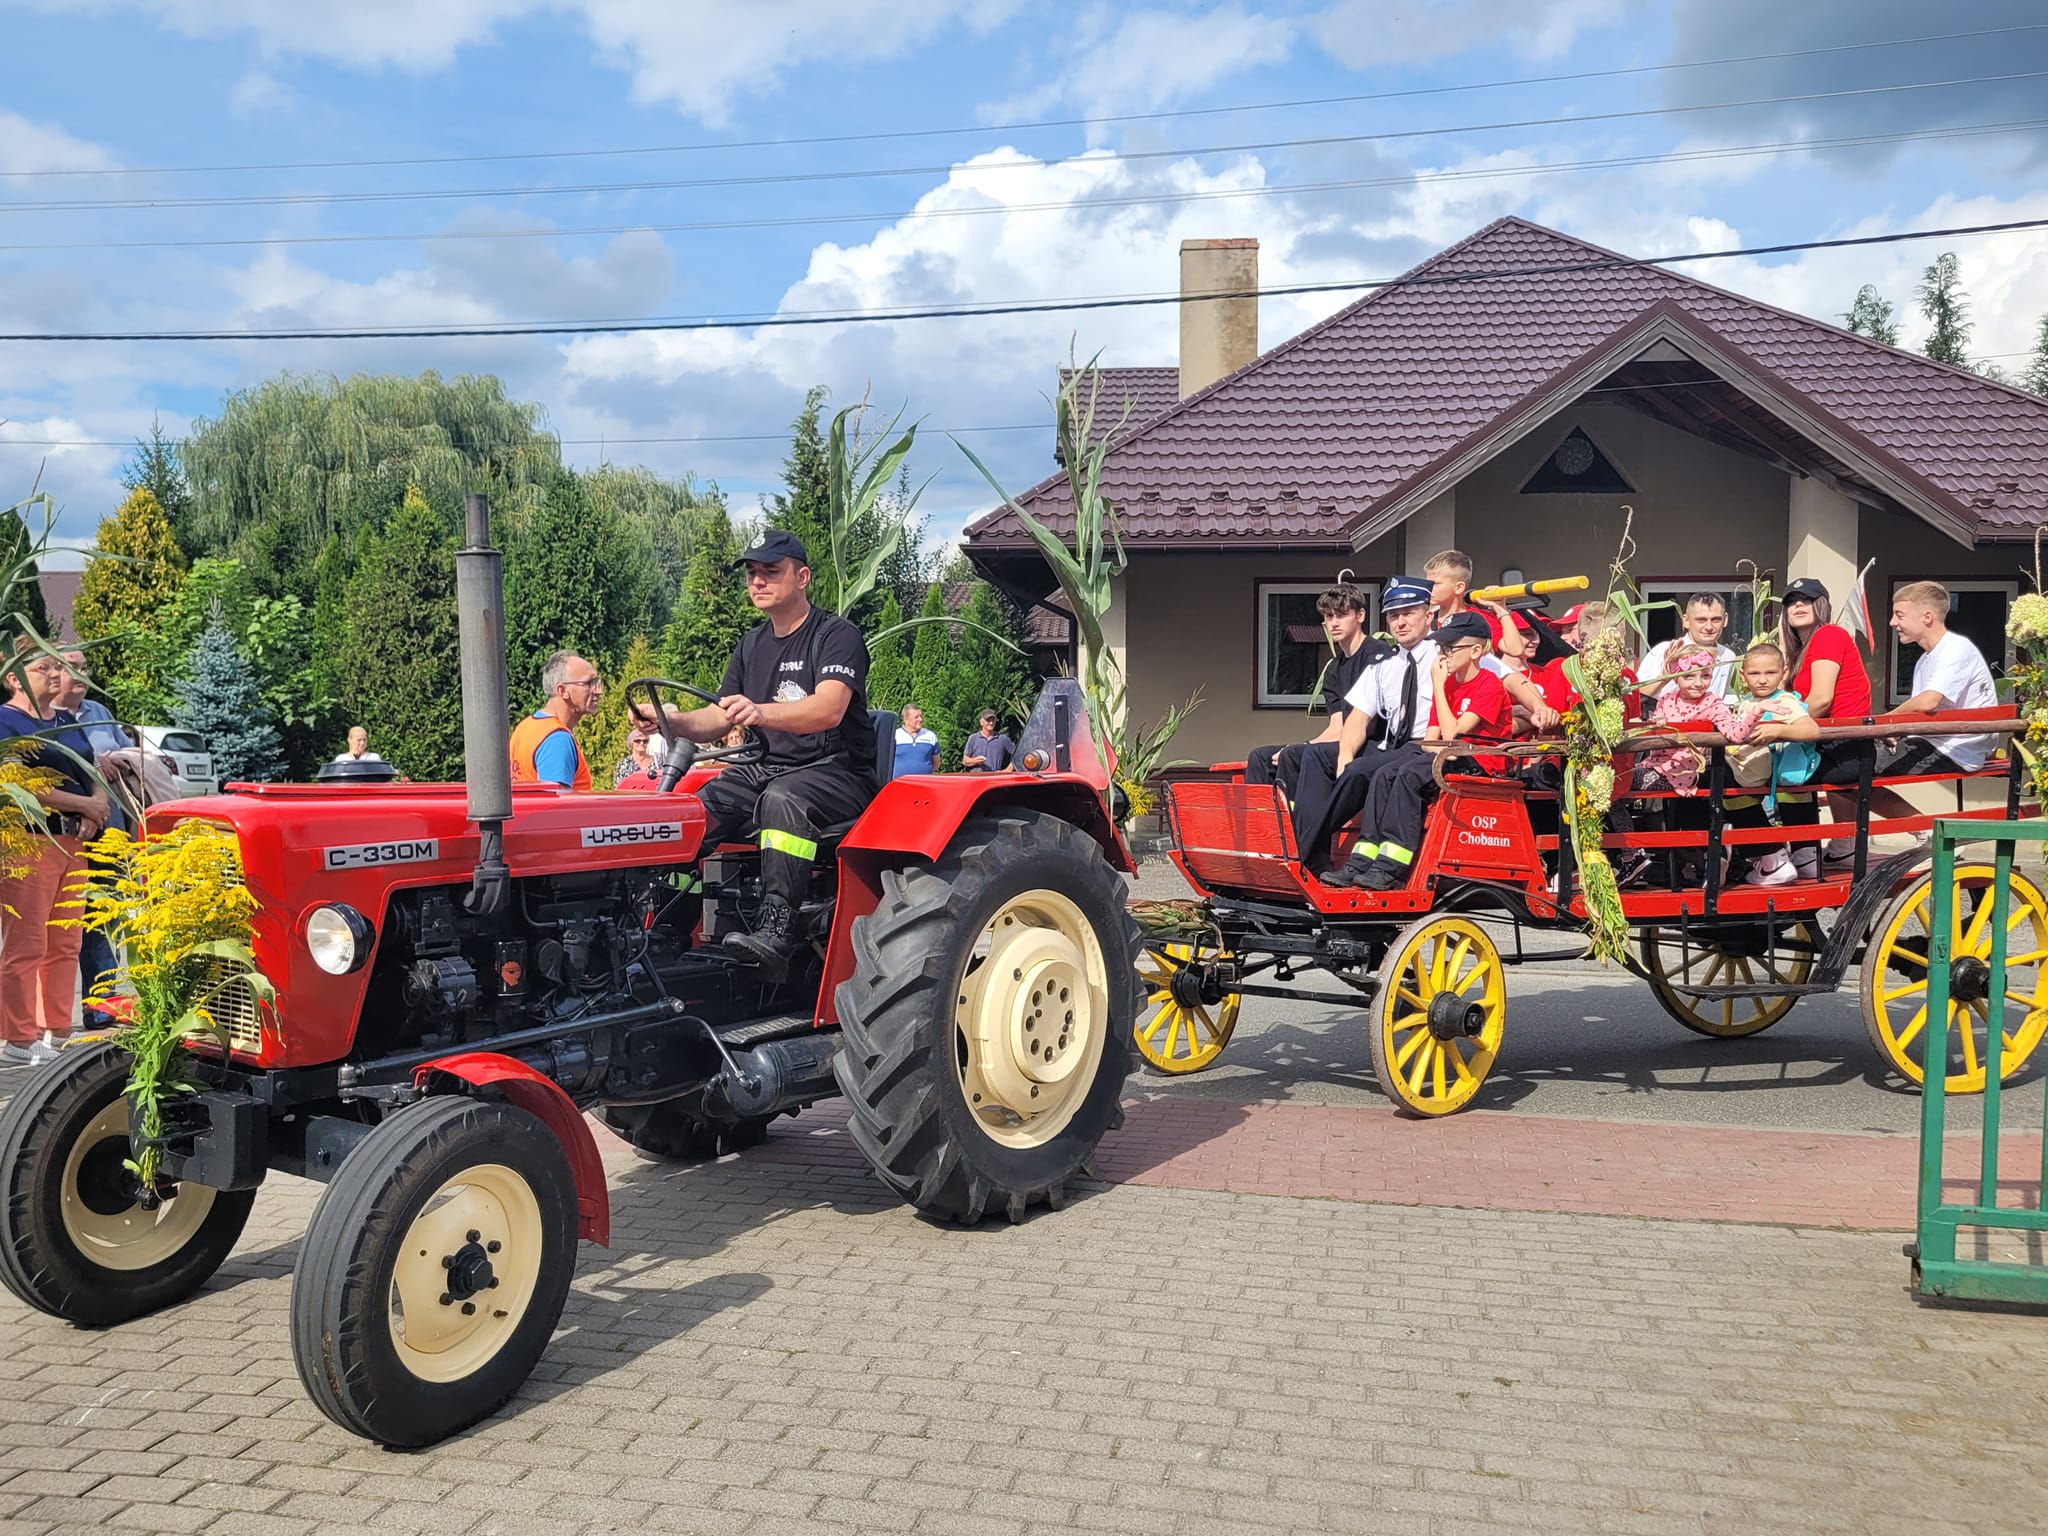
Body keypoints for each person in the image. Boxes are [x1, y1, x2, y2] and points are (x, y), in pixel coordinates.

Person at [631, 530, 874, 978]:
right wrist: (670, 720)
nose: (757, 581)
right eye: (751, 573)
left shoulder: (836, 635)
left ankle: (778, 928)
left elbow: (829, 708)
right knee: (690, 815)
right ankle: (663, 929)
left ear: (802, 577)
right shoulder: (751, 644)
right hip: (764, 769)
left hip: (835, 772)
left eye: (770, 572)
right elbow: (718, 717)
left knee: (783, 800)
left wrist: (761, 712)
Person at [1324, 611, 1512, 891]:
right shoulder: (1449, 686)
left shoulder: (1489, 685)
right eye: (1442, 647)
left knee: (1410, 775)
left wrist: (1437, 686)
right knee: (1384, 773)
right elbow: (1430, 739)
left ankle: (1391, 868)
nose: (1443, 654)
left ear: (1475, 651)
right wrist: (1440, 740)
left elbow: (1453, 734)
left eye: (1450, 648)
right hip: (1448, 755)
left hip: (1480, 762)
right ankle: (1361, 861)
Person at [0, 644, 109, 1068]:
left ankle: (58, 1028)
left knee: (66, 940)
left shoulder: (65, 721)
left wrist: (97, 805)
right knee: (26, 942)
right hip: (29, 840)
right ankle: (18, 1036)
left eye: (57, 666)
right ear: (14, 679)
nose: (54, 672)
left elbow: (91, 768)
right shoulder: (6, 721)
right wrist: (85, 805)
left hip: (73, 841)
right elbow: (18, 783)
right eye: (42, 666)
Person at [1293, 577, 1437, 879]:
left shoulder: (1446, 653)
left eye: (1408, 613)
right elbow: (1357, 719)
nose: (1400, 622)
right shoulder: (1384, 663)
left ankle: (1299, 852)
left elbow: (1504, 678)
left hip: (1426, 747)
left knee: (1363, 771)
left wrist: (1534, 708)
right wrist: (1344, 758)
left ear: (1429, 615)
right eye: (1393, 616)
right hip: (1392, 747)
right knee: (1316, 756)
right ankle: (1313, 855)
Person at [1245, 583, 1388, 805]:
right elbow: (1337, 727)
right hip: (1342, 741)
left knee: (1294, 755)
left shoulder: (1377, 654)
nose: (1334, 623)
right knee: (1261, 757)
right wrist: (1306, 744)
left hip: (1373, 745)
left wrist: (1303, 749)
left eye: (1341, 615)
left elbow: (1367, 726)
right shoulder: (1334, 669)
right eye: (1329, 616)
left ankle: (1299, 821)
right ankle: (1263, 821)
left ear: (1360, 615)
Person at [1768, 576, 1874, 866]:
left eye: (1807, 599)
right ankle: (1840, 845)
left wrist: (1782, 731)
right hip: (1829, 741)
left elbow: (1821, 699)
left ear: (1822, 604)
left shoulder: (1828, 635)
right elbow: (1787, 698)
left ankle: (1795, 854)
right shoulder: (1803, 649)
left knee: (1779, 775)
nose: (1798, 605)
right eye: (1791, 601)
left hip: (1842, 742)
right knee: (1787, 771)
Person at [57, 652, 127, 1020]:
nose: (81, 674)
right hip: (61, 834)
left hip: (107, 830)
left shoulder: (99, 711)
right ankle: (45, 1020)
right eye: (73, 667)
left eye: (85, 667)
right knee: (61, 923)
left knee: (104, 913)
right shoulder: (39, 718)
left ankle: (101, 1007)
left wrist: (122, 758)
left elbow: (123, 752)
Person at [510, 650, 604, 790]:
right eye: (589, 683)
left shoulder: (525, 726)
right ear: (562, 691)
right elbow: (554, 801)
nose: (598, 691)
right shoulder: (557, 739)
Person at [1423, 549, 1532, 664]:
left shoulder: (1480, 619)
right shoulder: (1425, 619)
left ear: (1459, 587)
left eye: (1435, 584)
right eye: (1428, 584)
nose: (1428, 589)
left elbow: (1515, 650)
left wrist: (1501, 609)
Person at [1640, 593, 1740, 700]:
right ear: (1686, 621)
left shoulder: (1727, 657)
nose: (1709, 627)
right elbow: (1634, 696)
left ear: (1725, 620)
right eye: (1701, 620)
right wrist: (1665, 676)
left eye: (1715, 620)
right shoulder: (1663, 651)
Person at [892, 704, 939, 778]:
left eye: (921, 716)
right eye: (916, 717)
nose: (920, 719)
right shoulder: (895, 736)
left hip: (924, 782)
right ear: (906, 719)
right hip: (900, 783)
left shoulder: (930, 736)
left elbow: (936, 763)